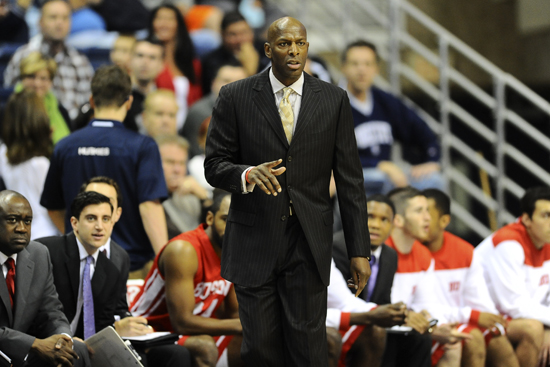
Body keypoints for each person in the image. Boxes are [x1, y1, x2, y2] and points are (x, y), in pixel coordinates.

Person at [204, 17, 371, 366]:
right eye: (283, 44)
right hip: (254, 237)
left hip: (308, 239)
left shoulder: (333, 99)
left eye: (300, 43)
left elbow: (350, 180)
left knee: (308, 348)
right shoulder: (235, 96)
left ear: (308, 47)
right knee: (261, 349)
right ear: (268, 50)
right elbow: (214, 165)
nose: (293, 50)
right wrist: (247, 173)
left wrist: (359, 249)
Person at [40, 65, 169, 276]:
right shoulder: (143, 146)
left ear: (91, 101)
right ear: (129, 102)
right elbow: (149, 207)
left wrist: (82, 237)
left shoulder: (65, 146)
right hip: (129, 266)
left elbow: (54, 207)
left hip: (77, 265)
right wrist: (164, 261)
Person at [131, 191, 243, 367]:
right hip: (151, 330)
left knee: (256, 340)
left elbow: (234, 314)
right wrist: (240, 325)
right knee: (204, 346)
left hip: (194, 329)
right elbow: (182, 322)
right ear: (210, 218)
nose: (233, 227)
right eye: (226, 219)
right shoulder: (183, 250)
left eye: (239, 221)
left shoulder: (237, 253)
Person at [422, 188, 520, 367]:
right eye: (418, 212)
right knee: (472, 337)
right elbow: (422, 307)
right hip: (428, 323)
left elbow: (480, 301)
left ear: (444, 220)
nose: (423, 218)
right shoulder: (409, 251)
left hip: (458, 319)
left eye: (426, 212)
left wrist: (492, 321)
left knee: (498, 338)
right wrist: (472, 315)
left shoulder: (465, 251)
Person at [332, 194, 432, 367]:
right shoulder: (338, 247)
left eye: (384, 220)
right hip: (342, 321)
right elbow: (343, 302)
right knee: (377, 332)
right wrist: (399, 315)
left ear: (393, 225)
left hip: (371, 321)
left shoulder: (389, 255)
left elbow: (383, 300)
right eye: (370, 217)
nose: (376, 225)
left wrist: (401, 313)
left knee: (419, 336)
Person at [340, 40, 443, 195]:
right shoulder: (331, 104)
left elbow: (423, 133)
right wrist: (380, 165)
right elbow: (331, 158)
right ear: (344, 68)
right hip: (352, 179)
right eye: (355, 64)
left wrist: (431, 161)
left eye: (368, 64)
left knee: (434, 180)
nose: (362, 70)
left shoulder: (386, 101)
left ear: (376, 69)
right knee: (383, 179)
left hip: (388, 175)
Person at [0, 190, 90, 367]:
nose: (22, 228)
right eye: (12, 220)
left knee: (75, 350)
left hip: (22, 356)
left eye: (27, 221)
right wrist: (34, 344)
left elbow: (52, 311)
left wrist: (63, 339)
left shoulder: (38, 254)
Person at [476, 186, 550, 367]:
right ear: (526, 219)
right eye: (546, 215)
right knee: (532, 329)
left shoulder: (546, 239)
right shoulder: (508, 244)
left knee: (537, 327)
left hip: (515, 317)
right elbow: (514, 306)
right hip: (482, 317)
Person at [3, 0, 94, 119]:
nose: (59, 23)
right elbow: (10, 100)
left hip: (74, 130)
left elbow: (89, 105)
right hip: (31, 125)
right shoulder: (23, 56)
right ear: (40, 22)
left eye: (65, 18)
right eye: (53, 17)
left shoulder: (80, 61)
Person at [0, 90, 59, 239]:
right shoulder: (41, 164)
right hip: (44, 235)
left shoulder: (2, 153)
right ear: (39, 121)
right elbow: (52, 208)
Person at [149, 4, 202, 129]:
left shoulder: (193, 64)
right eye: (159, 18)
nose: (164, 23)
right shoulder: (146, 58)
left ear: (179, 25)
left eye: (169, 19)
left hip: (189, 129)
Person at [181, 62, 247, 158]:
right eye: (226, 80)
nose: (233, 85)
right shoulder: (199, 112)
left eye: (239, 81)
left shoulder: (255, 111)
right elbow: (196, 153)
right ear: (213, 83)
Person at [201, 11, 270, 95]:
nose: (240, 40)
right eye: (233, 34)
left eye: (244, 32)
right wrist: (250, 71)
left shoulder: (267, 50)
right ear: (222, 35)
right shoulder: (212, 61)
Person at [156, 134, 207, 239]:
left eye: (182, 163)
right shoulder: (149, 200)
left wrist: (204, 198)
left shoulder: (192, 194)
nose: (177, 170)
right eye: (170, 162)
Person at [17, 51, 71, 144]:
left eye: (43, 78)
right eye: (31, 77)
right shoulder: (8, 110)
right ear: (22, 78)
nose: (37, 84)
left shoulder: (61, 112)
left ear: (51, 82)